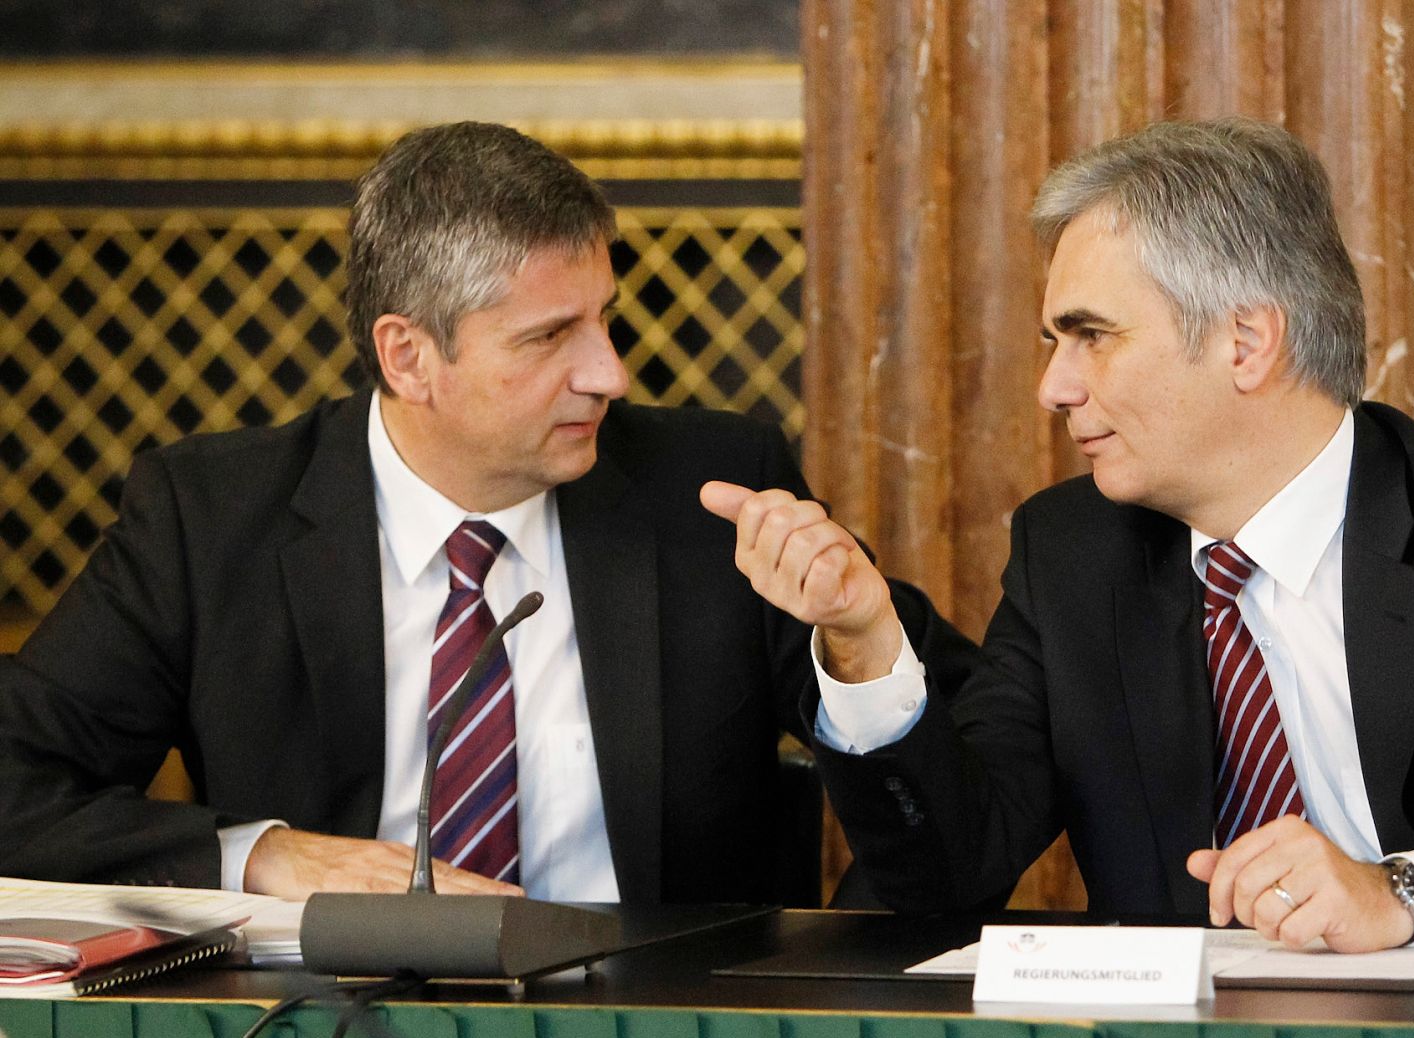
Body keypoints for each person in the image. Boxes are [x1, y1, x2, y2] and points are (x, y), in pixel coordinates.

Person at [701, 117, 1414, 952]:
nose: (1053, 387)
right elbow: (946, 870)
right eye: (1053, 343)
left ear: (1244, 340)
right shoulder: (1071, 551)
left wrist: (1395, 893)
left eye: (1090, 336)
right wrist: (866, 644)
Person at [0, 121, 975, 904]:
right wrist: (267, 858)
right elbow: (17, 779)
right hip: (320, 1036)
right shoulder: (210, 519)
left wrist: (856, 642)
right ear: (408, 357)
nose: (608, 372)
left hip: (652, 1037)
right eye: (551, 336)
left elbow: (970, 782)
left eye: (604, 318)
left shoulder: (712, 489)